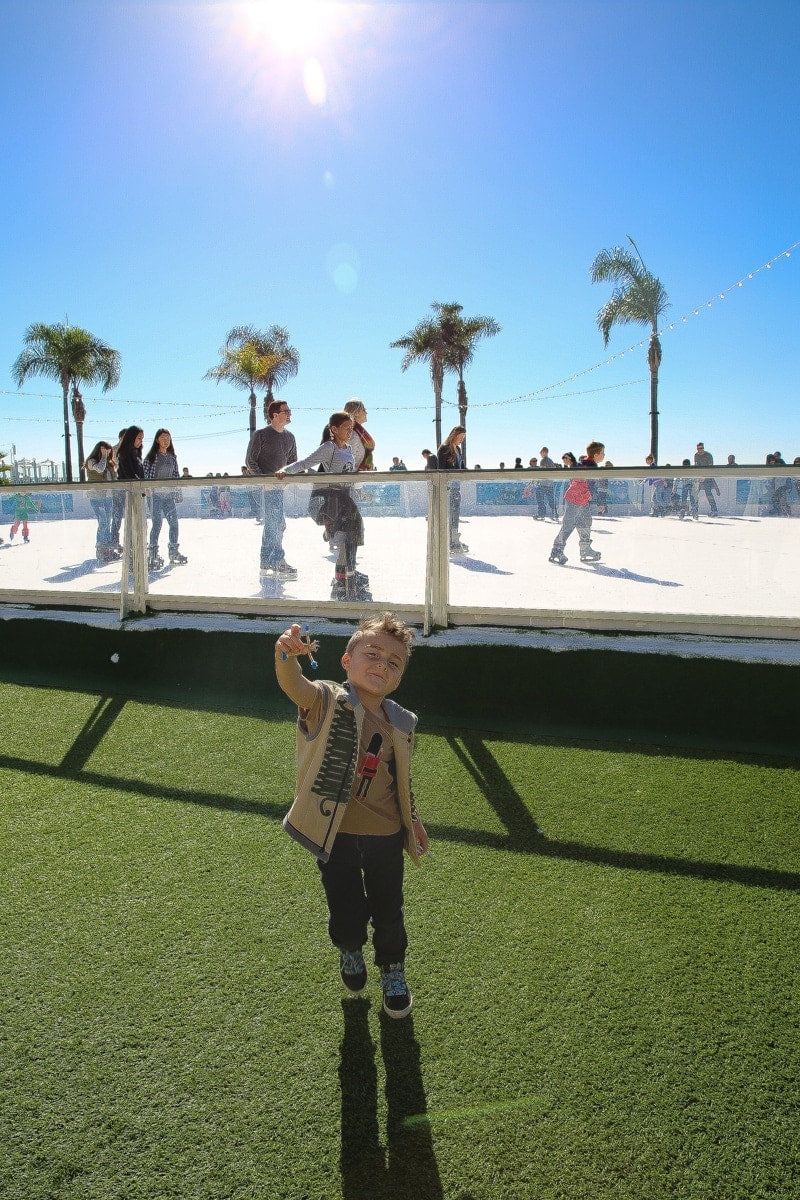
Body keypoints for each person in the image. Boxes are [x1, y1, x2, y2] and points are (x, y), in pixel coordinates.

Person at [275, 612, 427, 1018]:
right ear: (347, 661)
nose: (382, 664)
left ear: (398, 679)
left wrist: (411, 818)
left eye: (393, 663)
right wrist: (286, 655)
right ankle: (349, 950)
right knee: (345, 909)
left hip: (385, 836)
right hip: (334, 834)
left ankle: (393, 969)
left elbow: (401, 779)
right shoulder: (327, 700)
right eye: (372, 654)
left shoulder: (401, 721)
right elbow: (296, 687)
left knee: (389, 909)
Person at [276, 411, 369, 600]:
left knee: (353, 534)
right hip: (330, 500)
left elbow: (348, 475)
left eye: (351, 427)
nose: (350, 431)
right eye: (346, 428)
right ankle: (344, 576)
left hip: (344, 497)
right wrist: (285, 470)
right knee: (347, 535)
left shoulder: (349, 449)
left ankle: (346, 574)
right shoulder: (329, 447)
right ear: (334, 429)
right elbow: (305, 463)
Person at [246, 400, 298, 580]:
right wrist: (264, 481)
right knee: (276, 525)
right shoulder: (260, 435)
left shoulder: (290, 437)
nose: (289, 413)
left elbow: (293, 463)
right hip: (265, 489)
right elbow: (250, 461)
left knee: (273, 525)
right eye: (286, 411)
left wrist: (289, 477)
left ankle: (266, 561)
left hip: (279, 488)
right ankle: (277, 561)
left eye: (289, 410)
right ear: (275, 415)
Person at [549, 441, 605, 565]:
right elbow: (590, 485)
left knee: (585, 521)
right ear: (596, 454)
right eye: (602, 453)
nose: (604, 455)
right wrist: (600, 501)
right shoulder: (590, 465)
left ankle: (585, 549)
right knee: (568, 525)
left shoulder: (586, 462)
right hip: (575, 499)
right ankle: (556, 550)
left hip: (582, 499)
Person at [143, 428, 188, 569]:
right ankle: (153, 554)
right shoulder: (151, 457)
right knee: (157, 524)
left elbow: (175, 476)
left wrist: (178, 492)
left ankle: (173, 551)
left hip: (168, 497)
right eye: (163, 438)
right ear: (157, 440)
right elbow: (145, 474)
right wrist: (147, 488)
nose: (166, 440)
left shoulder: (172, 457)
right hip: (155, 496)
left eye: (168, 438)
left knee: (174, 523)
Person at [84, 440, 120, 563]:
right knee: (103, 522)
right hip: (97, 497)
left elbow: (114, 477)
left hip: (108, 497)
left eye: (108, 451)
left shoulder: (109, 463)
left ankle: (108, 549)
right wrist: (104, 456)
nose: (107, 453)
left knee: (107, 523)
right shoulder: (91, 462)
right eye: (105, 450)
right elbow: (99, 469)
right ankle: (100, 549)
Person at [437, 425, 468, 555]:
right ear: (454, 435)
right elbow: (441, 470)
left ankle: (454, 539)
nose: (462, 440)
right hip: (448, 489)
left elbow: (462, 467)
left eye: (463, 438)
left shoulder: (458, 449)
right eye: (461, 437)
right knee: (450, 516)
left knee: (455, 516)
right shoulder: (444, 449)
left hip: (457, 488)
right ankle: (450, 542)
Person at [343, 399, 376, 471]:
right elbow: (347, 465)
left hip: (354, 480)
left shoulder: (357, 432)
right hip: (349, 480)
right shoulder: (352, 434)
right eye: (364, 410)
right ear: (357, 413)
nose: (366, 413)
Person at [694, 442, 718, 516]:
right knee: (695, 493)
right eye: (698, 449)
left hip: (707, 477)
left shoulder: (708, 455)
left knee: (708, 493)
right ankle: (694, 509)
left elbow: (710, 468)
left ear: (703, 448)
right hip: (699, 477)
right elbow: (696, 466)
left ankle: (714, 510)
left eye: (701, 448)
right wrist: (698, 477)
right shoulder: (696, 455)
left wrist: (705, 476)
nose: (699, 450)